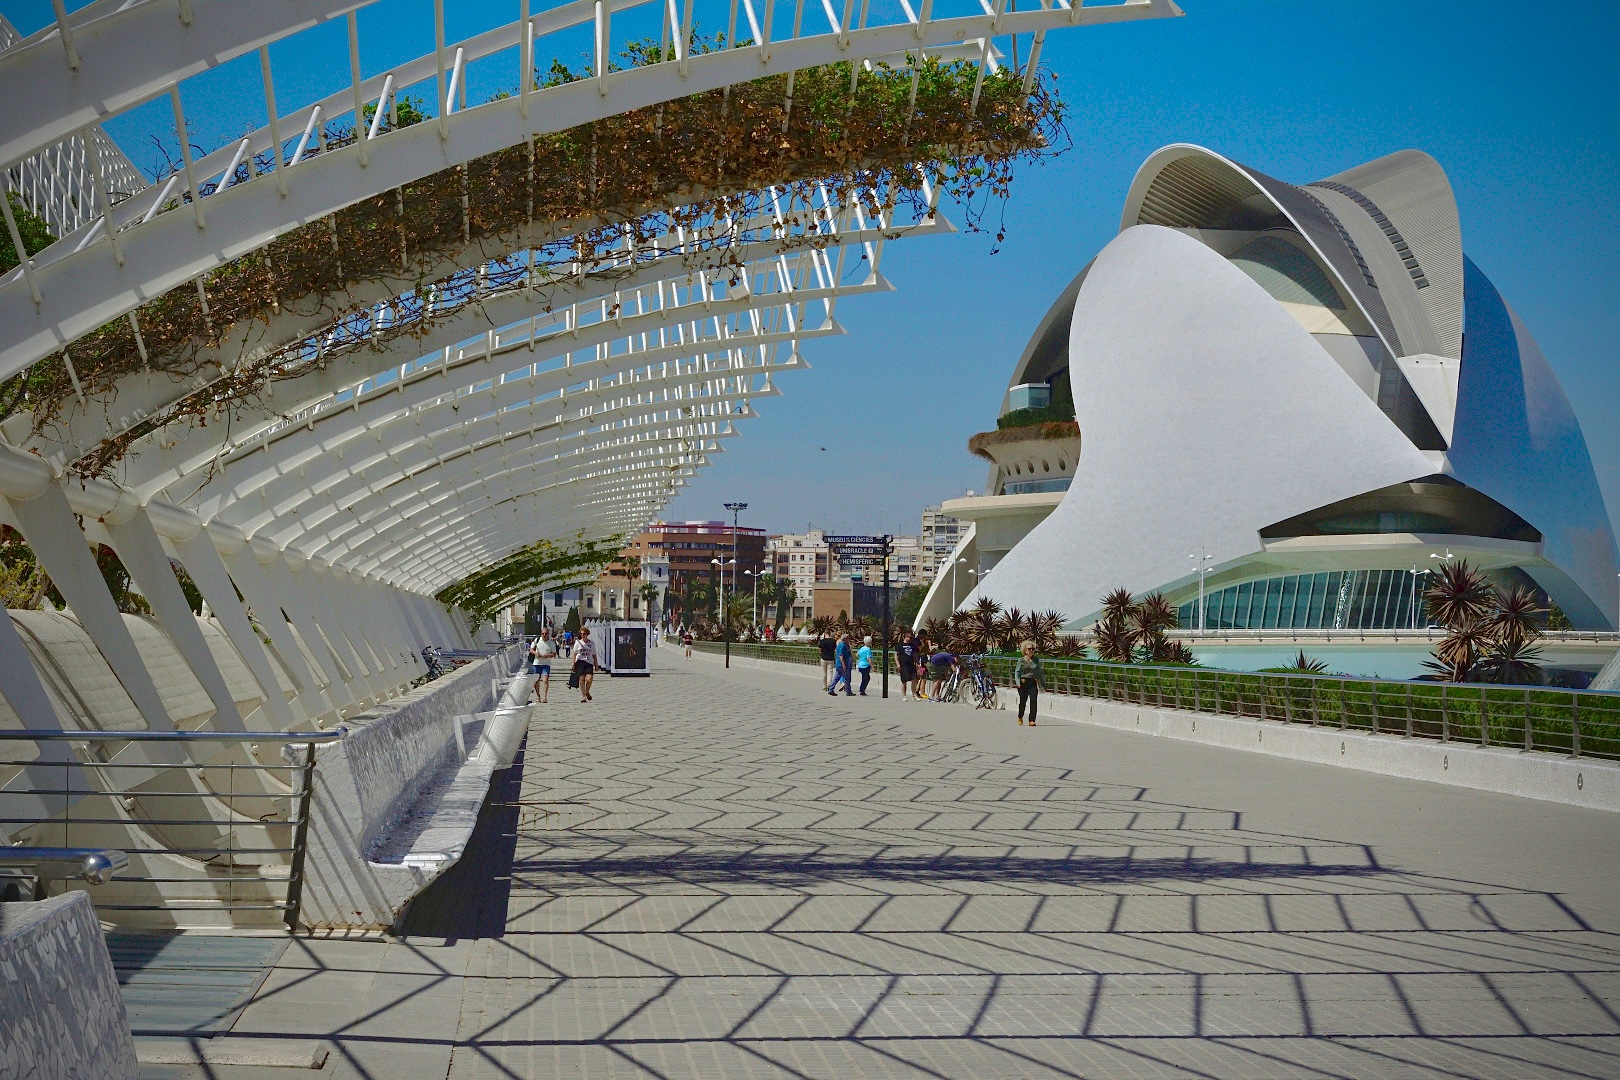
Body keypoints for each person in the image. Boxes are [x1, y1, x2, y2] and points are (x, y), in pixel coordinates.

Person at [1014, 639, 1046, 726]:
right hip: (1023, 682)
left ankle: (1032, 720)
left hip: (1032, 682)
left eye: (1032, 649)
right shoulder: (1021, 660)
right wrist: (1018, 683)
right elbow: (1017, 672)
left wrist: (1043, 684)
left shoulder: (1036, 660)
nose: (1031, 650)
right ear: (1025, 650)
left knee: (1033, 701)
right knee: (1023, 702)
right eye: (1029, 649)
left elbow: (1039, 672)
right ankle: (1020, 716)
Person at [530, 628, 558, 703]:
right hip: (537, 663)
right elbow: (531, 649)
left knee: (545, 680)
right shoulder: (537, 640)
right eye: (543, 634)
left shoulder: (551, 642)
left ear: (548, 634)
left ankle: (545, 697)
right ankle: (538, 695)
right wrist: (536, 654)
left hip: (546, 664)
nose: (544, 635)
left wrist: (548, 655)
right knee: (536, 680)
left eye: (546, 634)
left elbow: (554, 654)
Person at [572, 626, 598, 702]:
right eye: (581, 634)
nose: (582, 635)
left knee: (589, 679)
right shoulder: (578, 643)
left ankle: (587, 692)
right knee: (581, 679)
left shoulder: (591, 643)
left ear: (587, 634)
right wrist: (573, 664)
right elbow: (574, 654)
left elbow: (594, 655)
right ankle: (583, 697)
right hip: (580, 662)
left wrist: (596, 665)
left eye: (584, 634)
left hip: (589, 662)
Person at [896, 631, 922, 700]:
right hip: (903, 665)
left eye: (911, 638)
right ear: (905, 637)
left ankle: (914, 695)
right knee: (904, 681)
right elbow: (896, 655)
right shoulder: (900, 645)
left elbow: (915, 654)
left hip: (911, 665)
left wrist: (917, 663)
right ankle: (904, 696)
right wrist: (898, 664)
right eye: (909, 637)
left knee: (914, 680)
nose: (910, 639)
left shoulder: (912, 645)